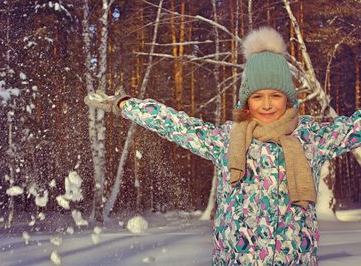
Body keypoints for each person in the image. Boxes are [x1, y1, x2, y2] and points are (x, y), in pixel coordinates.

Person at [84, 27, 361, 265]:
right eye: (258, 96)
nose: (266, 104)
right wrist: (126, 105)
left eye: (276, 95)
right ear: (246, 101)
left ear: (288, 99)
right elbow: (175, 125)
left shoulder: (310, 139)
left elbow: (354, 128)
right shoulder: (226, 140)